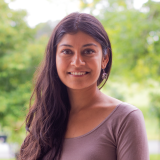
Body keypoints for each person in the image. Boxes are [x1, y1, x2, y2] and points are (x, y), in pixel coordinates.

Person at [19, 12, 149, 160]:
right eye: (67, 51)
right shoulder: (45, 118)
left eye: (88, 51)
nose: (77, 62)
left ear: (104, 59)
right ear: (54, 58)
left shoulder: (125, 119)